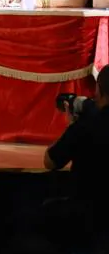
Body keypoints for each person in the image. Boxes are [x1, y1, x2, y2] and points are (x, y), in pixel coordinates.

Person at [44, 69, 109, 204]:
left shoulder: (86, 125)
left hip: (87, 208)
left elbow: (50, 161)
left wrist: (72, 126)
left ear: (99, 90)